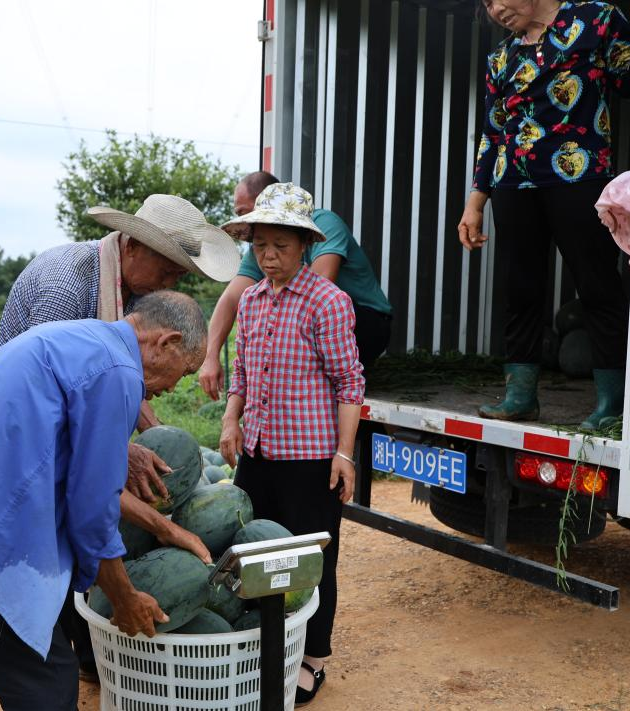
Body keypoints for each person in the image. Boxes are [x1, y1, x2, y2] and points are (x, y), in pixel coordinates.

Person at [0, 291, 210, 711]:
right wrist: (124, 598)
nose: (174, 387)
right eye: (184, 372)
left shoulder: (74, 337)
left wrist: (164, 528)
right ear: (166, 343)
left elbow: (76, 476)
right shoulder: (118, 372)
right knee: (46, 688)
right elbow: (93, 507)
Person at [0, 193, 241, 680]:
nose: (171, 284)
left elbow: (132, 374)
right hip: (24, 439)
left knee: (78, 532)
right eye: (170, 272)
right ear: (132, 246)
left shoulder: (131, 298)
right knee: (57, 542)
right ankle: (61, 656)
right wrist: (120, 450)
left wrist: (166, 441)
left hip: (62, 438)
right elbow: (57, 395)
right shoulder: (69, 281)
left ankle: (90, 652)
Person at [458, 0, 630, 430]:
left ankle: (611, 403)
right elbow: (492, 133)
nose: (495, 9)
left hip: (578, 178)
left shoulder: (594, 20)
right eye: (487, 4)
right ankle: (520, 395)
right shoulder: (501, 58)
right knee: (520, 289)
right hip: (513, 184)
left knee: (597, 284)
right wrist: (475, 203)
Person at [219, 183, 366, 706]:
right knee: (254, 552)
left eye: (280, 246)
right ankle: (267, 643)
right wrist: (231, 421)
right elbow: (240, 372)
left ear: (304, 244)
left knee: (310, 561)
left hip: (309, 460)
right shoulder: (253, 301)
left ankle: (313, 656)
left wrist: (344, 454)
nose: (269, 257)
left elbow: (350, 382)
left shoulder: (328, 302)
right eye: (260, 247)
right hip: (257, 455)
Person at [198, 171, 392, 402]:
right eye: (261, 244)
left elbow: (321, 288)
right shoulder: (261, 247)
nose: (268, 253)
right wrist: (210, 356)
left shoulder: (325, 224)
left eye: (243, 212)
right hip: (306, 325)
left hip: (366, 322)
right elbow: (231, 299)